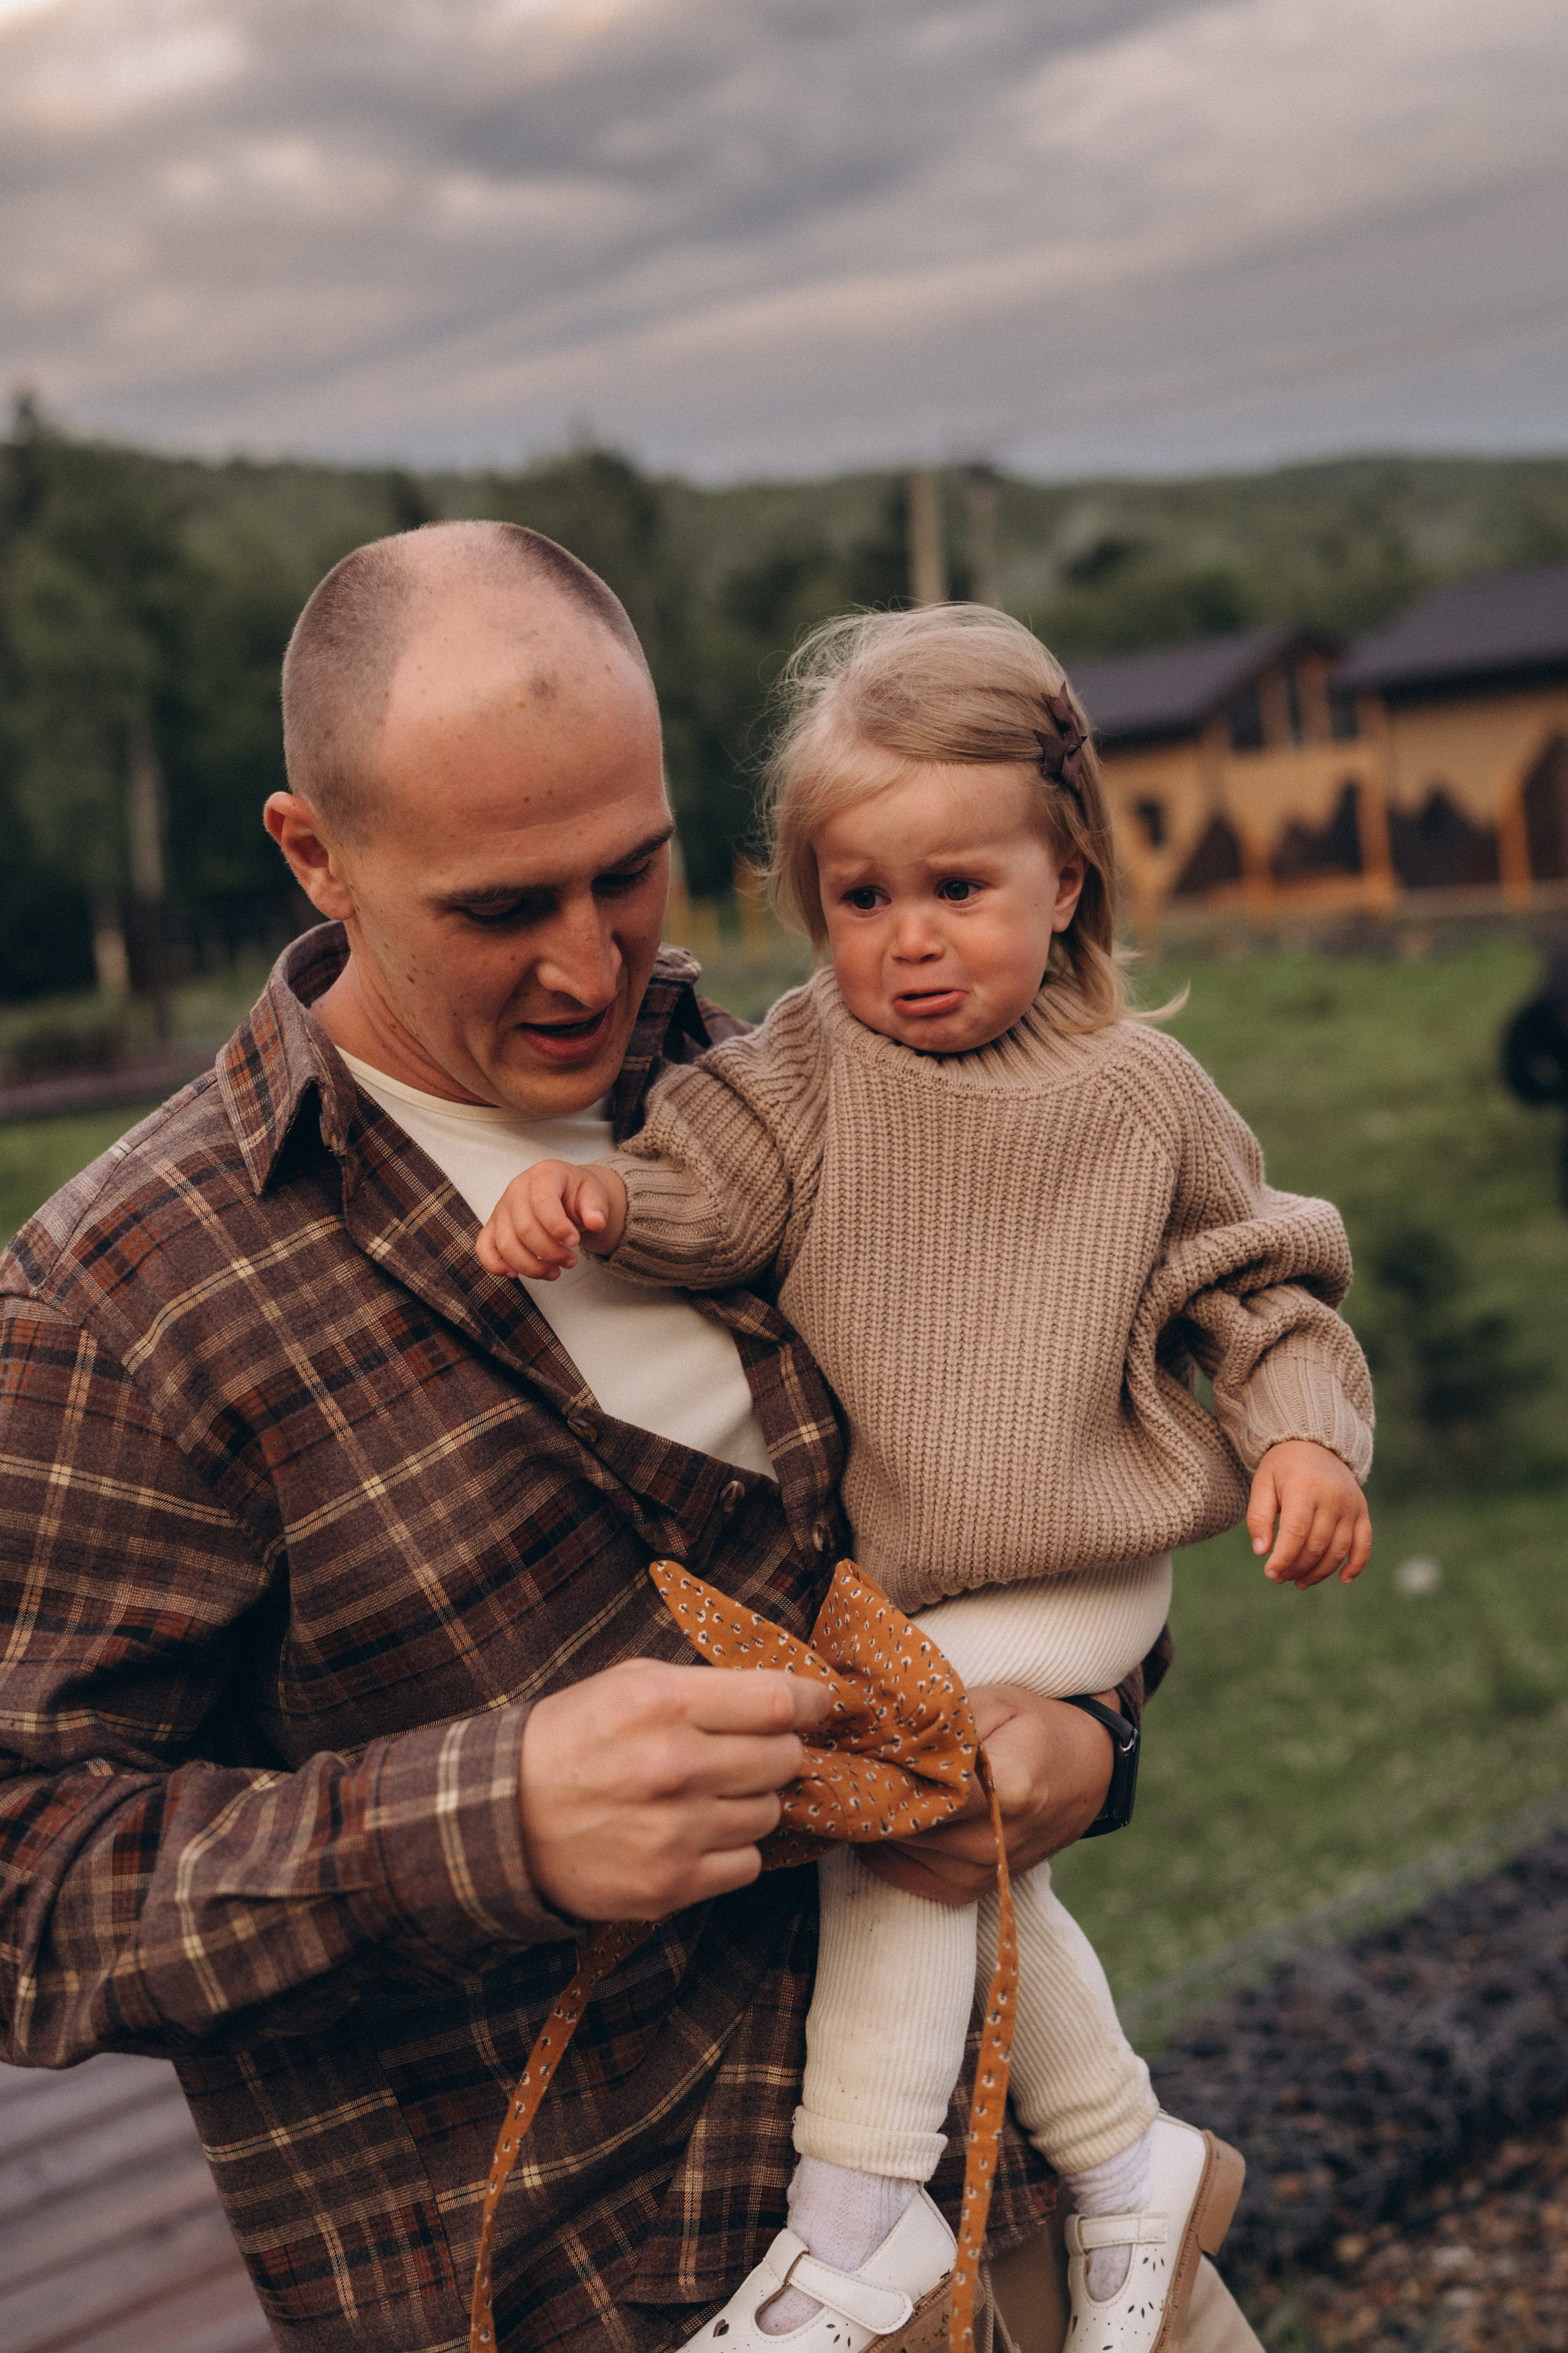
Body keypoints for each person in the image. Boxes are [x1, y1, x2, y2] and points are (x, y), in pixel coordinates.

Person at [0, 525, 1259, 2353]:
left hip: (1049, 2225)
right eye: (503, 908)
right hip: (612, 2302)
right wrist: (486, 1817)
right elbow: (26, 1880)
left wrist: (1085, 1740)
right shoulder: (124, 1302)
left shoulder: (788, 1086)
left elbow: (1034, 1473)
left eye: (633, 873)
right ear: (315, 854)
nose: (593, 967)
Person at [480, 604, 1375, 2353]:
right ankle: (1128, 2156)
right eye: (859, 898)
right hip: (923, 1584)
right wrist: (598, 1207)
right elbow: (710, 1194)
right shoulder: (807, 1071)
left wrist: (1301, 1440)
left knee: (885, 1796)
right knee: (977, 1845)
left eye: (958, 888)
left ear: (1066, 879)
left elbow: (1259, 1288)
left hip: (1085, 1548)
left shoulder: (1138, 1093)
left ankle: (854, 2217)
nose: (907, 942)